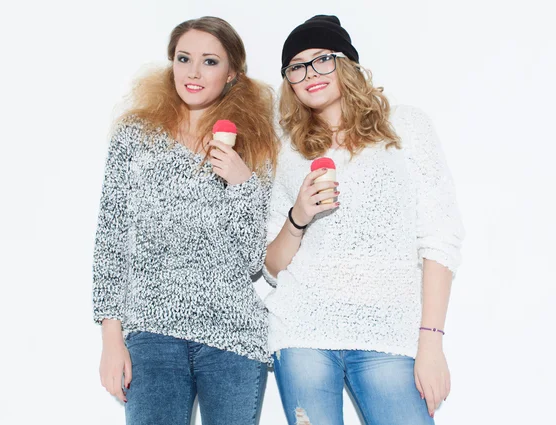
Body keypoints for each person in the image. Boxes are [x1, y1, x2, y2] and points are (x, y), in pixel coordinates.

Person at [263, 15, 465, 425]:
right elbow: (270, 266)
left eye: (322, 59)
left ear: (347, 64)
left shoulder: (405, 126)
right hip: (301, 331)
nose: (310, 74)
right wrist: (298, 217)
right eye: (296, 66)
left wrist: (431, 343)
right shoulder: (285, 150)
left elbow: (440, 236)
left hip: (389, 333)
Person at [92, 16, 279, 425]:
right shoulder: (135, 136)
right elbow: (111, 238)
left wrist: (243, 183)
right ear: (171, 64)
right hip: (151, 334)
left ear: (232, 75)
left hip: (233, 337)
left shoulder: (252, 144)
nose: (193, 72)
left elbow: (250, 262)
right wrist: (111, 337)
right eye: (183, 58)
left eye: (210, 61)